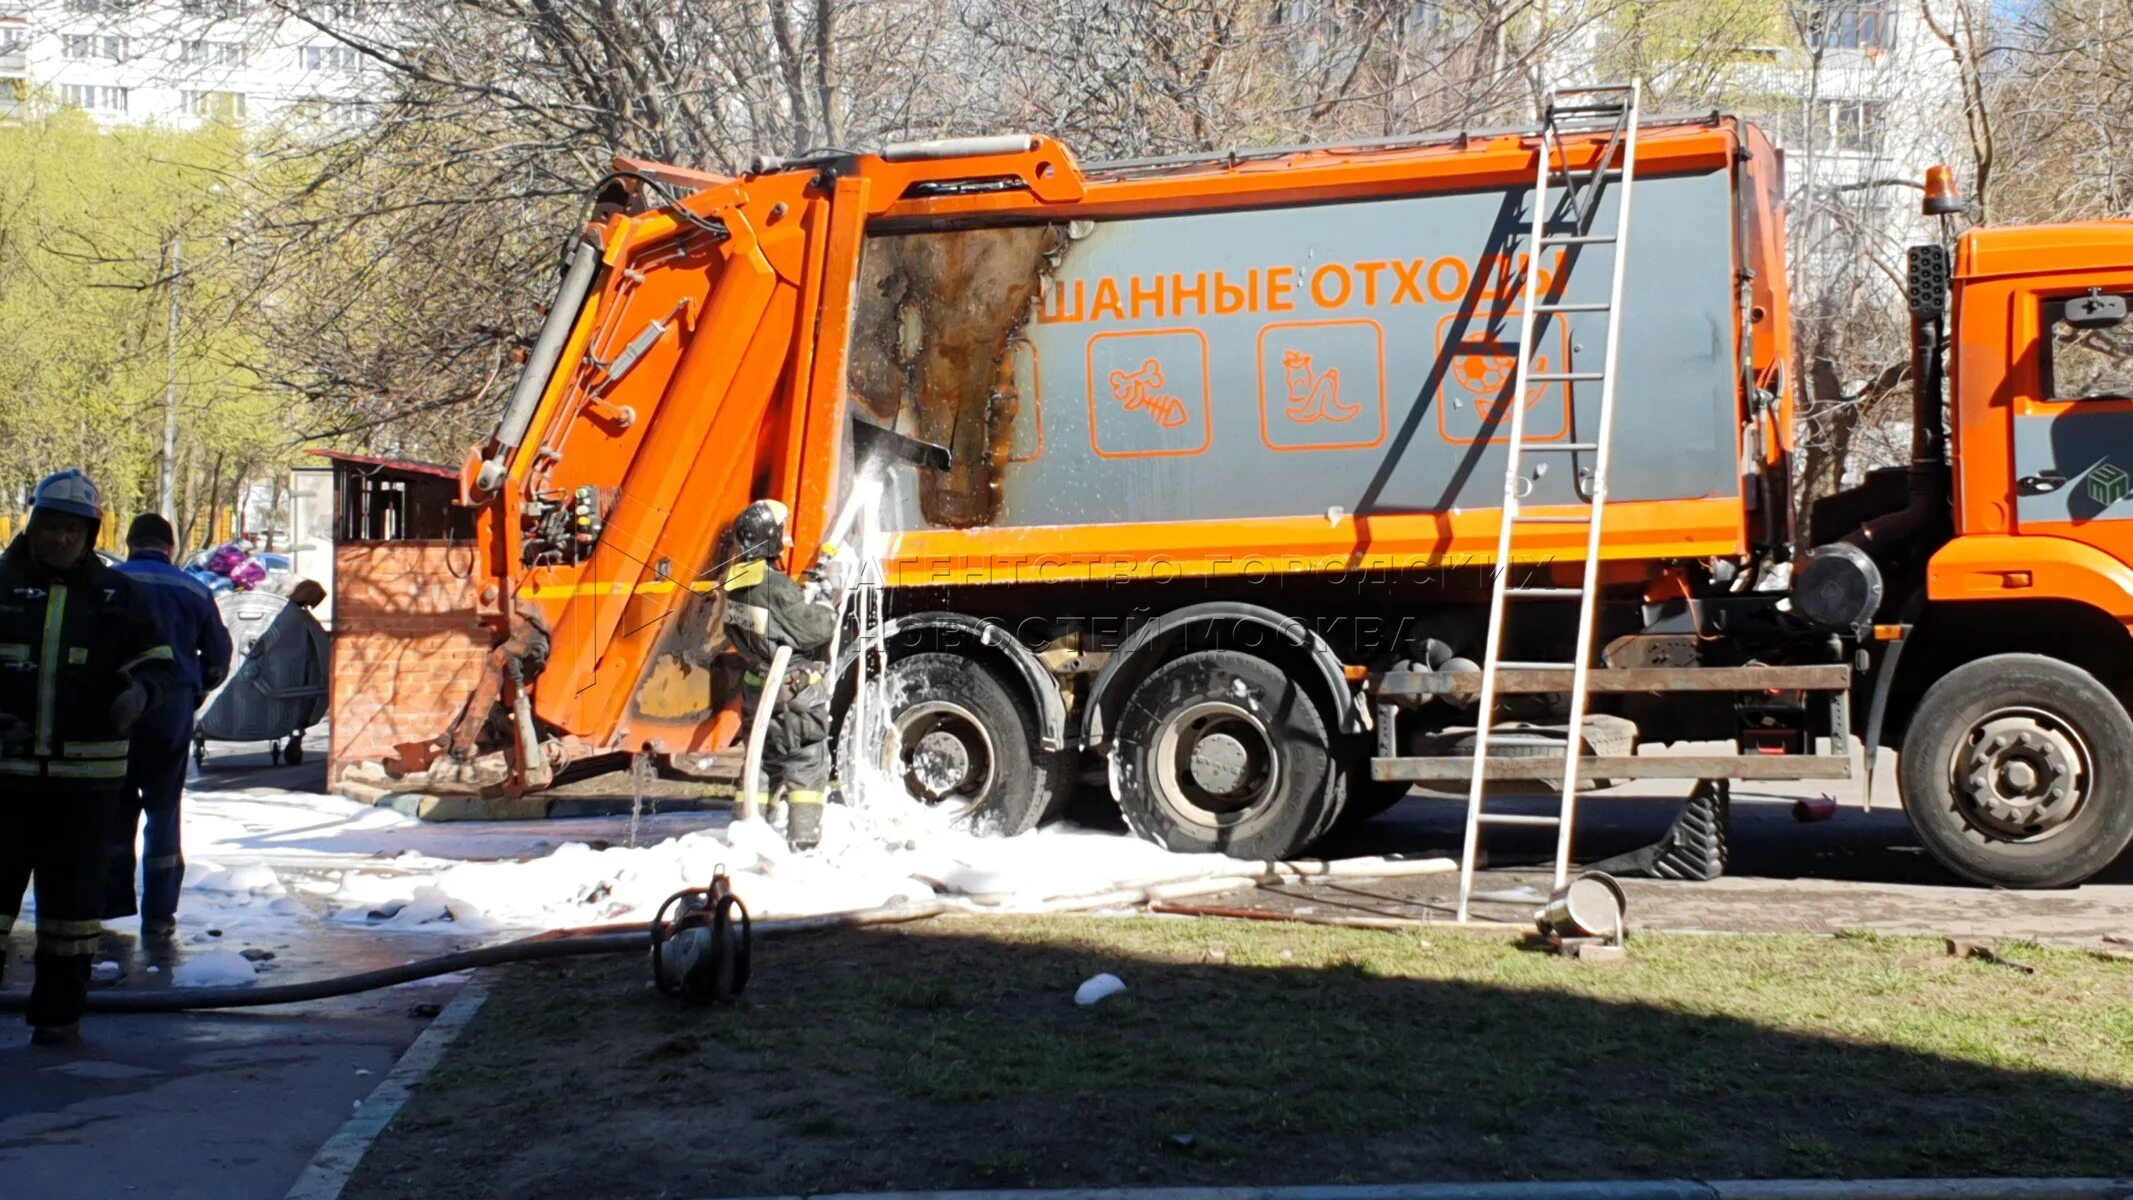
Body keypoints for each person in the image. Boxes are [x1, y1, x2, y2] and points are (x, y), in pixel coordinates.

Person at [0, 470, 176, 1047]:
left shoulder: (118, 597)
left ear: (91, 532)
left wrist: (139, 695)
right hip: (6, 784)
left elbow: (159, 662)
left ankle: (58, 1020)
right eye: (51, 527)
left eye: (72, 530)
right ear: (33, 527)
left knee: (72, 919)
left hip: (86, 791)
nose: (60, 539)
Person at [106, 513, 231, 941]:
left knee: (114, 808)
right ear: (170, 547)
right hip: (170, 715)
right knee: (163, 812)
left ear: (129, 543)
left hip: (114, 711)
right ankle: (158, 916)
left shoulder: (109, 585)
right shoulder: (193, 589)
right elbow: (217, 657)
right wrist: (195, 690)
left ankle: (111, 902)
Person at [721, 499, 838, 851]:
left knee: (763, 761)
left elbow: (768, 620)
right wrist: (824, 602)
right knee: (806, 759)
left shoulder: (736, 581)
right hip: (794, 689)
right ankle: (803, 842)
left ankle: (750, 829)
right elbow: (814, 630)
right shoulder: (776, 587)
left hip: (758, 689)